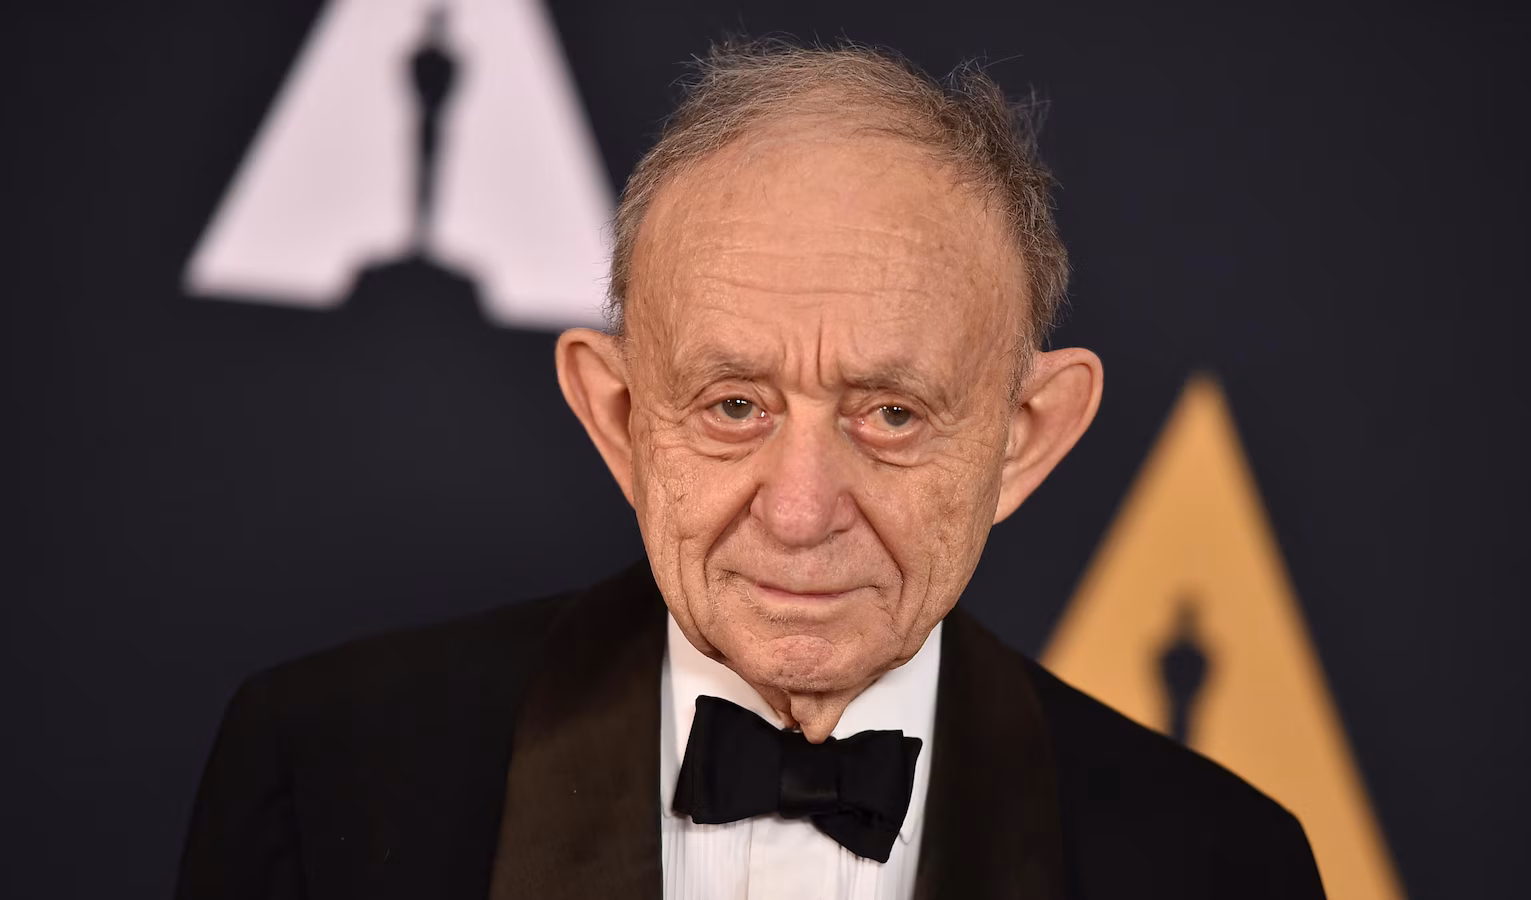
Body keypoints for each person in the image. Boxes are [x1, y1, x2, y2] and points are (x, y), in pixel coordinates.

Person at [175, 40, 1326, 900]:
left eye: (889, 413)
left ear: (1023, 437)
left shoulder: (1219, 865)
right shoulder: (323, 775)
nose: (801, 509)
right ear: (620, 417)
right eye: (734, 406)